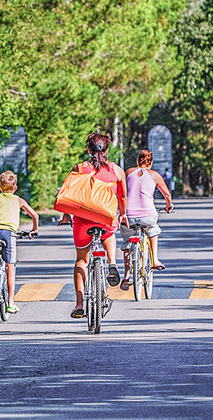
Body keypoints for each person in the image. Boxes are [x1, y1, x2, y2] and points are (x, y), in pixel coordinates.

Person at [58, 131, 128, 319]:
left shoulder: (79, 168)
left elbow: (69, 195)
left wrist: (66, 216)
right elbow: (122, 197)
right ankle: (112, 263)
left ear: (88, 149)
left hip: (82, 222)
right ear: (107, 149)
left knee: (81, 260)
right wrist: (123, 216)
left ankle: (80, 303)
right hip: (106, 219)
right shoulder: (116, 170)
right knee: (109, 234)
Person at [0, 171, 39, 315]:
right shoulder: (19, 200)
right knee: (10, 267)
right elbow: (35, 215)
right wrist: (34, 230)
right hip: (8, 233)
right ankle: (11, 303)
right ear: (15, 188)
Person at [121, 149, 173, 289]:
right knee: (153, 230)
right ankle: (155, 259)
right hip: (147, 215)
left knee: (127, 241)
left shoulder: (128, 172)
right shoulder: (155, 175)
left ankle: (126, 275)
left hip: (129, 215)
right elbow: (167, 195)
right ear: (151, 162)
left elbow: (122, 192)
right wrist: (169, 206)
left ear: (137, 161)